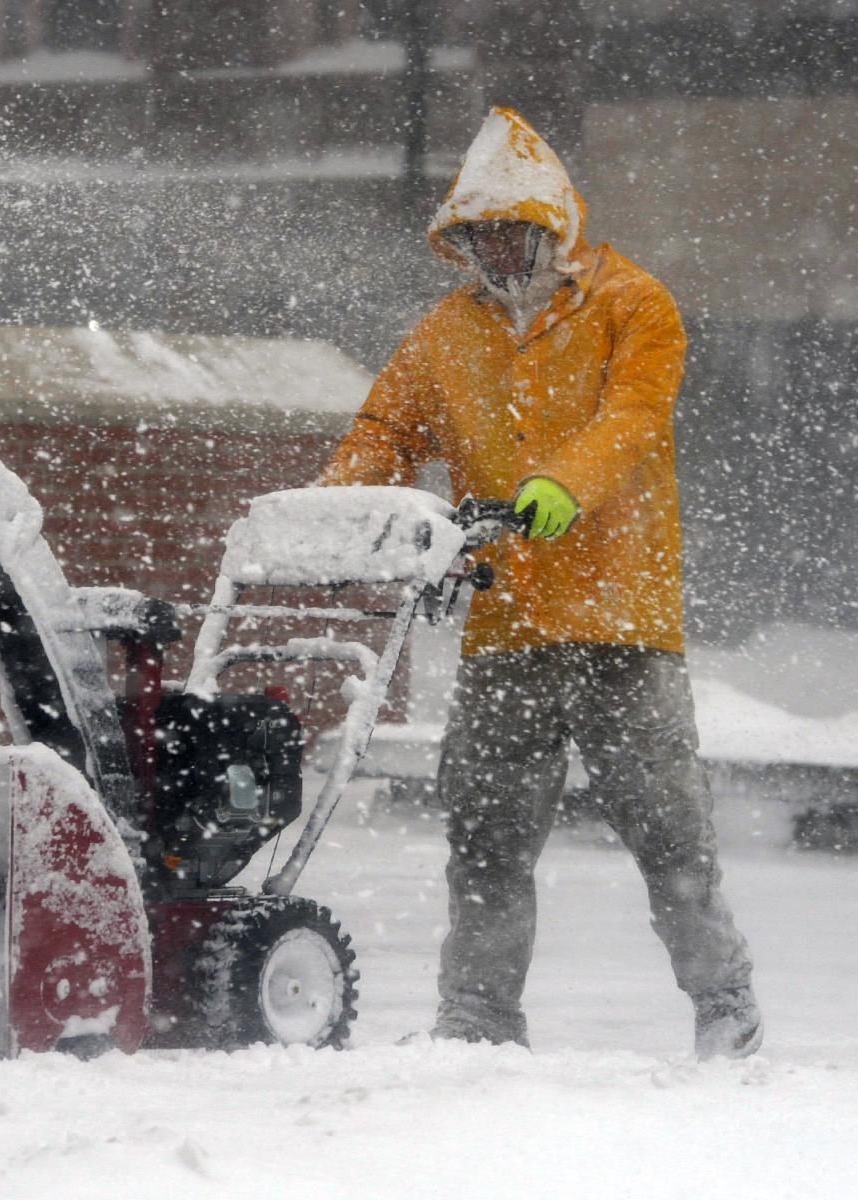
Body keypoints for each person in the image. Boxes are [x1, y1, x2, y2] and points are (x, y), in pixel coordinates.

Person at [319, 108, 761, 1058]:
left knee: (670, 842)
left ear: (552, 226)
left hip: (621, 623)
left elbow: (635, 418)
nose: (497, 253)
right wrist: (335, 507)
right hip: (507, 626)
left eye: (512, 232)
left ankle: (724, 1004)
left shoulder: (634, 306)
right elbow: (384, 432)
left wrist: (564, 481)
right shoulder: (447, 335)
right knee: (484, 844)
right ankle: (476, 1021)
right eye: (479, 236)